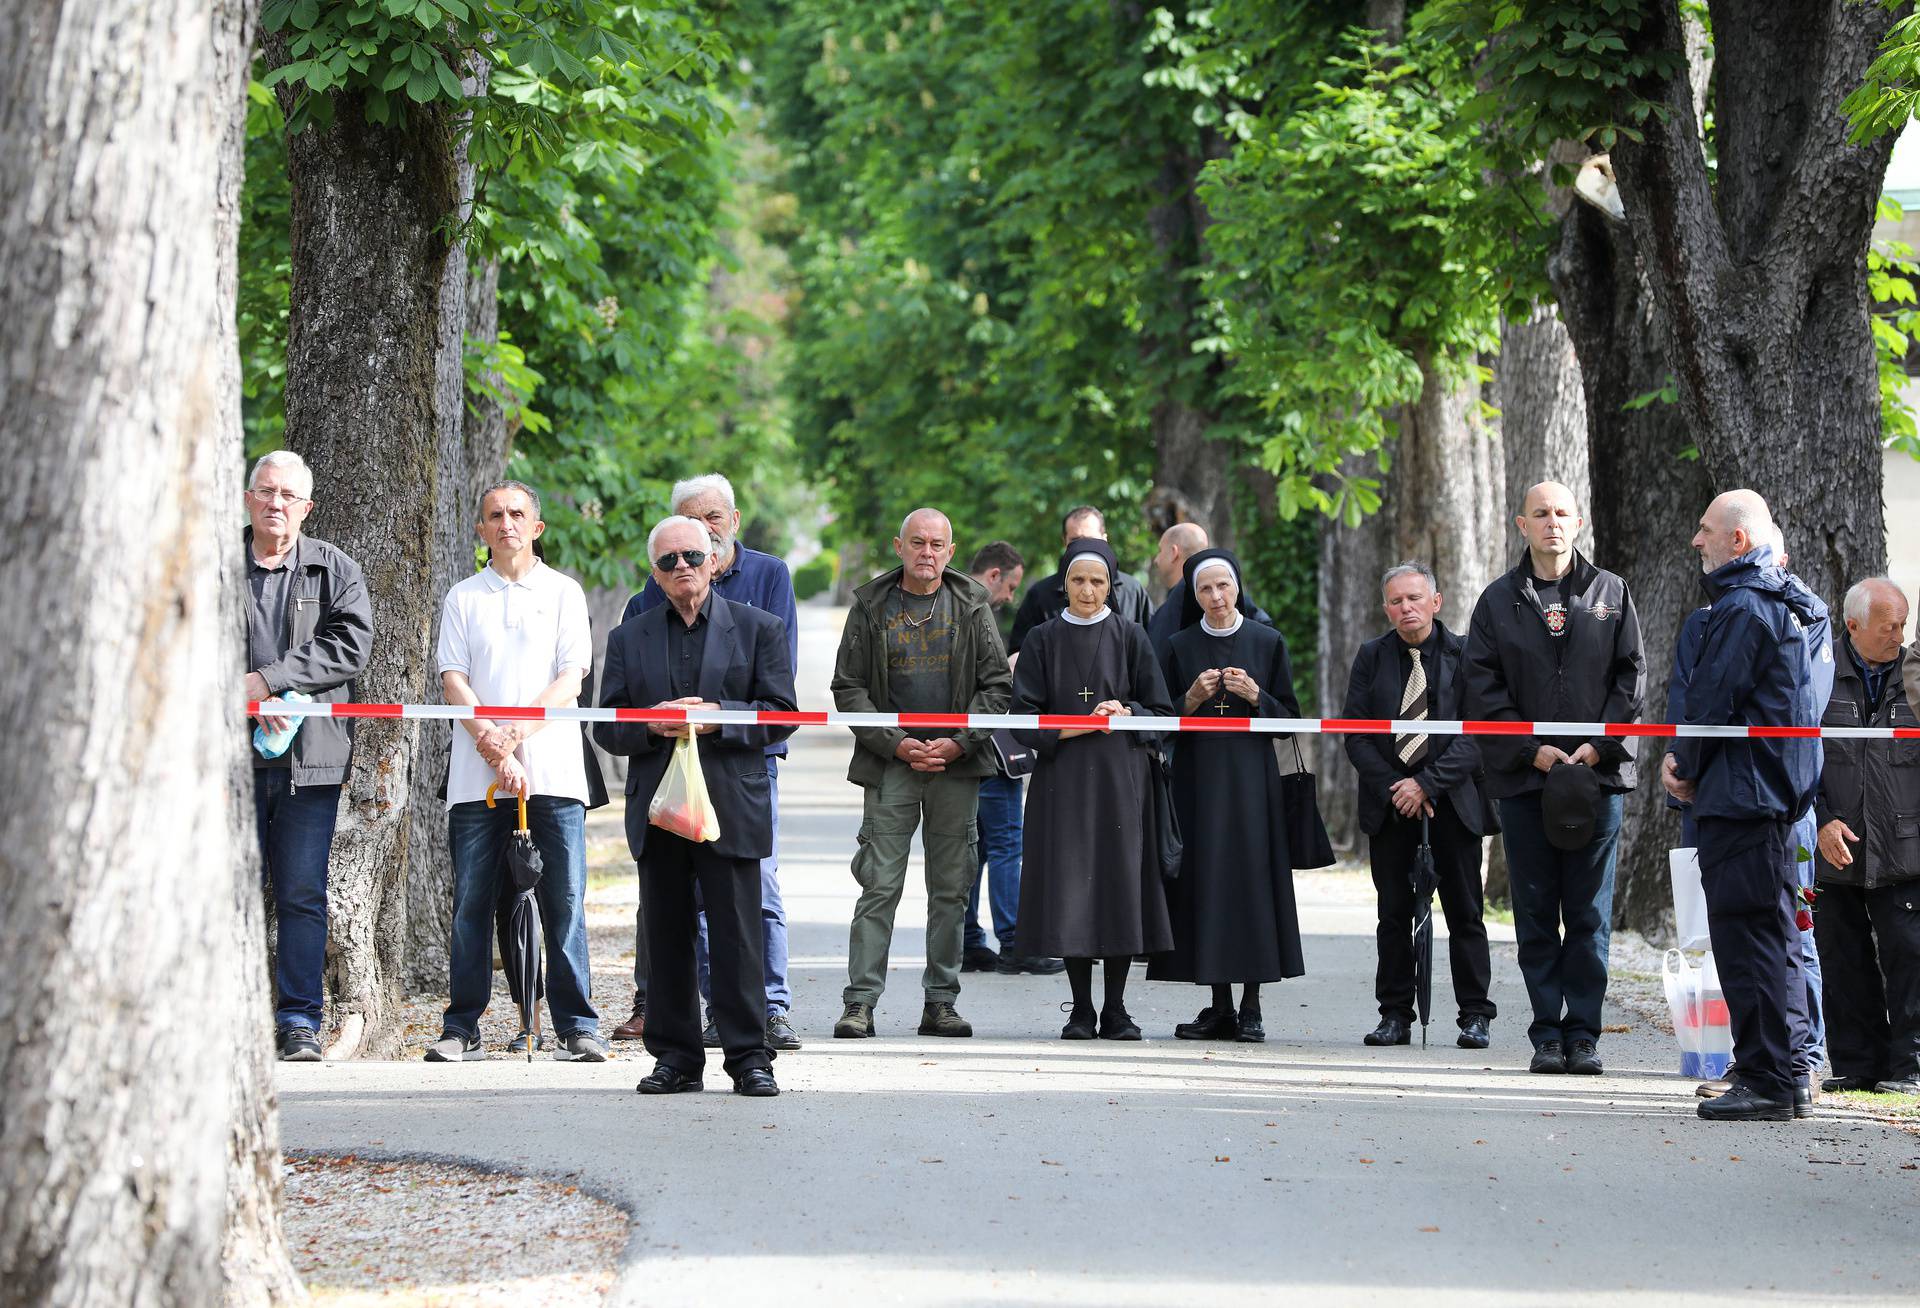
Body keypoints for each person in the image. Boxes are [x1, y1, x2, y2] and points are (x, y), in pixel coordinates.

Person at [595, 516, 798, 1097]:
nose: (681, 567)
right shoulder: (628, 638)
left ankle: (749, 1057)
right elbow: (608, 725)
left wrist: (720, 718)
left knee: (737, 933)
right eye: (667, 562)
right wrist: (651, 726)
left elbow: (781, 713)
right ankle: (676, 1058)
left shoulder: (759, 628)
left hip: (730, 801)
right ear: (654, 575)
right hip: (660, 807)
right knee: (666, 933)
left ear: (715, 559)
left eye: (691, 556)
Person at [1465, 481, 1645, 1077]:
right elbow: (1481, 687)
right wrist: (1532, 749)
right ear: (1522, 525)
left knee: (1590, 914)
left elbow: (1631, 679)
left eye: (1562, 513)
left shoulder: (1612, 593)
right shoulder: (1496, 601)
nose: (1552, 523)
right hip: (1526, 781)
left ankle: (1585, 1035)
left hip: (1599, 779)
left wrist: (1597, 747)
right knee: (1536, 912)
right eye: (1540, 514)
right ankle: (1546, 1033)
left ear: (1579, 522)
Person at [427, 481, 606, 1063]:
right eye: (494, 515)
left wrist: (516, 737)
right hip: (475, 778)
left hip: (551, 774)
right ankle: (462, 1028)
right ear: (480, 530)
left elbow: (570, 678)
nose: (506, 523)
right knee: (472, 903)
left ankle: (577, 1026)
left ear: (537, 527)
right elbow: (453, 679)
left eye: (517, 514)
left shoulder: (563, 593)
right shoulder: (462, 597)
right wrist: (492, 745)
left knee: (565, 901)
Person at [1662, 490, 1823, 1121]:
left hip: (1745, 799)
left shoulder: (1746, 608)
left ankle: (1767, 1079)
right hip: (1760, 798)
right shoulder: (1770, 602)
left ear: (1738, 539)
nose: (1696, 541)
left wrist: (1683, 768)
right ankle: (1785, 1076)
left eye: (1705, 530)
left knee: (1749, 939)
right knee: (1770, 937)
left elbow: (1712, 702)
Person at [830, 508, 1014, 1039]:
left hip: (957, 766)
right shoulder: (870, 604)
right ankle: (860, 1003)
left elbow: (996, 685)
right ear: (899, 546)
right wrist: (899, 743)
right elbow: (849, 689)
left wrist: (958, 744)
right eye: (917, 543)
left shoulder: (973, 603)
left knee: (950, 889)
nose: (926, 553)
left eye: (936, 544)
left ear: (950, 552)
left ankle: (941, 1002)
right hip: (892, 765)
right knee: (878, 885)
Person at [1010, 538, 1174, 1039]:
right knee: (1071, 890)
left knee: (1119, 886)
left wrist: (1126, 715)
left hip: (1123, 783)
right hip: (1062, 784)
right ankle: (1081, 1009)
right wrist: (1084, 724)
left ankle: (1117, 1009)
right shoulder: (1041, 639)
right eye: (1079, 580)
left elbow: (1163, 715)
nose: (1087, 590)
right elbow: (1023, 718)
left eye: (1097, 581)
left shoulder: (1131, 636)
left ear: (1111, 585)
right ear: (1065, 583)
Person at [240, 451, 373, 1062]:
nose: (276, 503)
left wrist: (270, 682)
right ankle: (224, 1017)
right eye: (266, 491)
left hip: (307, 762)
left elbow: (350, 647)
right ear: (247, 498)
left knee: (299, 893)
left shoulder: (333, 567)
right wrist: (234, 688)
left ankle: (298, 1022)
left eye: (288, 495)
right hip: (223, 763)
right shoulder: (212, 564)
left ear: (307, 508)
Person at [1150, 548, 1307, 1041]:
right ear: (1193, 596)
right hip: (1198, 782)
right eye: (1204, 589)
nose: (1215, 597)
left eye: (1223, 586)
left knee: (1252, 885)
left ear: (1238, 587)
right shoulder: (1178, 645)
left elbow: (1289, 724)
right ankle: (1218, 1004)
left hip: (1251, 783)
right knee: (1206, 886)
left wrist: (1258, 697)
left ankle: (1252, 1005)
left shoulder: (1267, 641)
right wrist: (1191, 700)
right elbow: (1159, 720)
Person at [1342, 562, 1497, 1050]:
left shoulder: (1468, 653)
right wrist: (1398, 787)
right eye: (1395, 601)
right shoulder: (1371, 657)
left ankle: (1475, 1014)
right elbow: (1356, 733)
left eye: (1414, 598)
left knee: (1464, 912)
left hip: (1453, 804)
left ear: (1437, 601)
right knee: (1394, 914)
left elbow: (1480, 734)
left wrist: (1426, 784)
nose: (1405, 608)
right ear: (1385, 607)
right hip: (1391, 807)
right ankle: (1394, 1015)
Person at [1816, 578, 1920, 1097]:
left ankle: (1911, 1066)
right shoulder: (1817, 673)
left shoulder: (1915, 677)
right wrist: (1819, 821)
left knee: (1911, 957)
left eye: (1904, 624)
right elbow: (1798, 759)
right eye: (1890, 627)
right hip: (1837, 843)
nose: (1900, 637)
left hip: (1905, 846)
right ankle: (1857, 1064)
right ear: (1853, 626)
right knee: (1842, 957)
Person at [959, 541, 1061, 976]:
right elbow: (984, 680)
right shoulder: (976, 609)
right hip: (992, 750)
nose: (1011, 598)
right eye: (1011, 586)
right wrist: (1012, 666)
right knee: (1006, 846)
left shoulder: (948, 603)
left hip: (961, 748)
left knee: (975, 849)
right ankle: (1016, 941)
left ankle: (967, 940)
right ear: (995, 575)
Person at [1006, 506, 1153, 655]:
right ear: (1064, 542)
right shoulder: (1039, 595)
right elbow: (1021, 655)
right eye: (1075, 541)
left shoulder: (1132, 591)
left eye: (1090, 539)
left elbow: (1150, 648)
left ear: (1104, 539)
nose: (1084, 547)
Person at [1145, 522, 1209, 657]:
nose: (1156, 559)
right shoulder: (1224, 598)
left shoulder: (1183, 601)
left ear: (1174, 552)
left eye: (1160, 550)